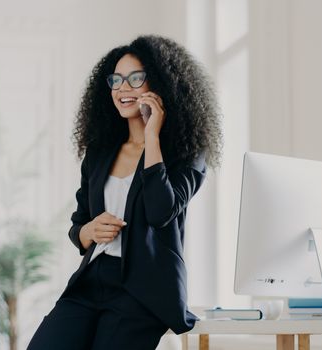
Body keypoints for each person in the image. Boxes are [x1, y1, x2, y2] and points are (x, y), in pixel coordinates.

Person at [27, 34, 222, 350]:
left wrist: (152, 136)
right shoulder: (100, 153)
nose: (122, 88)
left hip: (142, 291)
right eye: (116, 80)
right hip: (91, 282)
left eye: (135, 78)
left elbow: (161, 212)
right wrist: (88, 230)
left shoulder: (186, 155)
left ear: (159, 84)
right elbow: (79, 225)